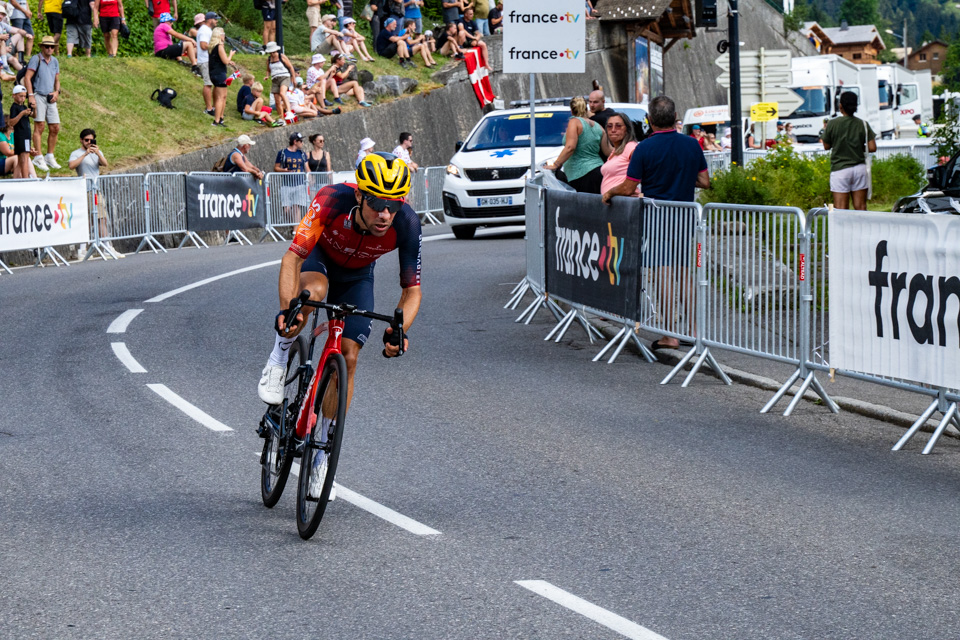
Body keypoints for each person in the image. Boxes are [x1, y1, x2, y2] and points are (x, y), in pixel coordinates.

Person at [256, 154, 422, 499]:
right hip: (320, 259)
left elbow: (412, 291)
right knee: (308, 296)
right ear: (360, 196)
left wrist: (400, 330)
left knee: (348, 356)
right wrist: (288, 312)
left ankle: (320, 458)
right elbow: (292, 258)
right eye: (377, 203)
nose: (385, 214)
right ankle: (277, 359)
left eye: (394, 204)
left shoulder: (406, 224)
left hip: (358, 275)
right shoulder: (332, 199)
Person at [602, 95, 709, 352]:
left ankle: (669, 334)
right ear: (675, 118)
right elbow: (704, 182)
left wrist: (609, 193)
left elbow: (629, 186)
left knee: (661, 272)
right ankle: (693, 332)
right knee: (685, 273)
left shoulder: (644, 148)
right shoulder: (692, 145)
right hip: (685, 215)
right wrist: (682, 178)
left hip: (657, 214)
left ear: (649, 121)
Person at [821, 91, 876, 211]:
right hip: (860, 169)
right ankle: (862, 229)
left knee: (841, 208)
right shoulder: (863, 124)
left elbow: (826, 146)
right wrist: (857, 146)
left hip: (840, 169)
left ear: (840, 106)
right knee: (861, 206)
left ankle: (843, 230)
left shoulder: (833, 123)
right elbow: (872, 147)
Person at [544, 95, 604, 194]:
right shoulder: (598, 126)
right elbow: (607, 150)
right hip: (599, 170)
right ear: (586, 108)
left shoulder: (574, 122)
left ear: (571, 110)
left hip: (581, 173)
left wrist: (556, 165)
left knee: (584, 206)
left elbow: (570, 147)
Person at [23, 35, 61, 171]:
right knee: (39, 126)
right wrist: (31, 96)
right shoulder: (36, 59)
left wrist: (57, 92)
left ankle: (49, 155)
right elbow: (27, 78)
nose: (50, 49)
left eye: (52, 46)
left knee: (55, 127)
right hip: (38, 94)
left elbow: (57, 79)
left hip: (50, 96)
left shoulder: (55, 61)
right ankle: (38, 157)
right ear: (42, 47)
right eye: (47, 46)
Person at [68, 128, 111, 243]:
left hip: (95, 190)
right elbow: (71, 166)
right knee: (86, 221)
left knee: (101, 218)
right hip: (84, 190)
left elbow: (105, 164)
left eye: (91, 140)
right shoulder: (76, 153)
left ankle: (107, 246)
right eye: (86, 140)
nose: (89, 143)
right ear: (81, 140)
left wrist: (97, 153)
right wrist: (85, 154)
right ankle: (83, 249)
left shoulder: (97, 152)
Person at [599, 112, 640, 198]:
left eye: (618, 126)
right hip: (613, 204)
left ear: (627, 129)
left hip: (625, 202)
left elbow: (645, 170)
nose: (613, 130)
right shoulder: (615, 150)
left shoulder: (631, 147)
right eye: (609, 126)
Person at [207, 27, 236, 127]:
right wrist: (231, 55)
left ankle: (221, 117)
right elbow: (225, 61)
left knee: (224, 96)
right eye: (223, 34)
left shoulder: (212, 46)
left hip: (213, 73)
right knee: (221, 98)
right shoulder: (219, 46)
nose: (224, 36)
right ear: (219, 35)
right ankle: (217, 120)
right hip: (220, 74)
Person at [8, 85, 35, 178]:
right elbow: (11, 122)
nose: (23, 98)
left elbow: (34, 116)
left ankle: (16, 179)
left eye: (24, 96)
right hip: (21, 135)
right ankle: (25, 179)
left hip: (26, 135)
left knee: (21, 160)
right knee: (24, 158)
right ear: (14, 96)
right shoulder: (14, 107)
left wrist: (34, 108)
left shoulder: (24, 106)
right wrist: (22, 113)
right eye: (20, 96)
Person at [264, 40, 295, 120]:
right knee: (277, 101)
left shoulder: (282, 57)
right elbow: (268, 70)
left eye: (273, 52)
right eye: (270, 53)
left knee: (282, 93)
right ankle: (281, 118)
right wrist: (267, 76)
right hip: (275, 79)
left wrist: (293, 79)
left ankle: (289, 111)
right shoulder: (269, 59)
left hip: (284, 76)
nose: (272, 54)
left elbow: (291, 67)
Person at [196, 11, 216, 116]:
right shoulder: (204, 30)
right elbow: (203, 45)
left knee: (212, 84)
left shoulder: (207, 30)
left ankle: (213, 107)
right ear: (209, 20)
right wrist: (216, 46)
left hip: (210, 60)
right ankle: (209, 109)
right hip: (205, 60)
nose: (217, 21)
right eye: (215, 19)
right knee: (208, 84)